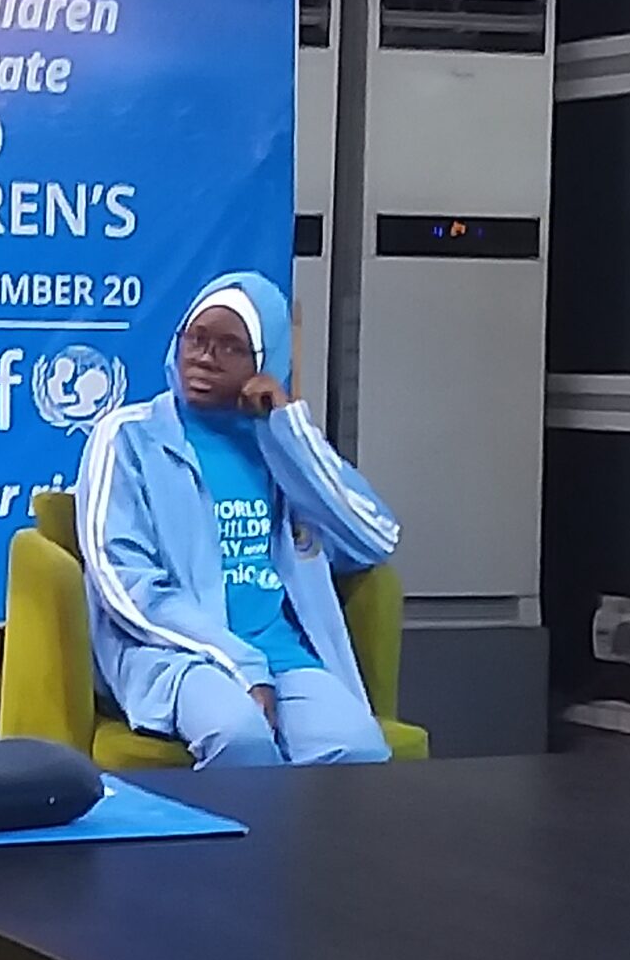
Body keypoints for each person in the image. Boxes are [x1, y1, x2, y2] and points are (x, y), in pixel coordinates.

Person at [77, 273, 397, 768]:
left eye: (230, 347)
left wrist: (289, 431)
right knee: (240, 737)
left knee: (358, 752)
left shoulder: (276, 444)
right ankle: (237, 850)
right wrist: (238, 663)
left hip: (282, 653)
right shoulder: (127, 437)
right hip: (175, 655)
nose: (205, 356)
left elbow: (375, 537)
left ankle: (308, 850)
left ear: (263, 363)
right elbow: (124, 582)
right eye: (196, 339)